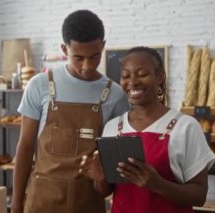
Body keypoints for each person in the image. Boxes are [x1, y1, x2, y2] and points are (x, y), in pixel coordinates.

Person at [11, 10, 129, 213]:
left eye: (95, 57)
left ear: (103, 45)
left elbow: (113, 164)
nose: (87, 66)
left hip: (88, 202)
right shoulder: (39, 85)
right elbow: (25, 145)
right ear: (64, 49)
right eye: (79, 58)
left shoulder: (115, 95)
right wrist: (16, 204)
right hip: (41, 201)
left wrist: (104, 180)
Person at [79, 46, 215, 213]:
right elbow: (107, 191)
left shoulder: (185, 126)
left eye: (142, 74)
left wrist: (158, 185)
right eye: (125, 76)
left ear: (160, 77)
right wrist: (100, 178)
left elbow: (200, 195)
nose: (133, 82)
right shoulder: (113, 127)